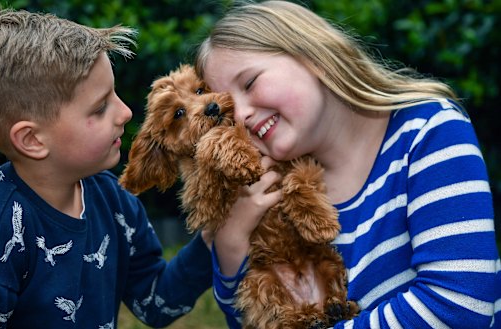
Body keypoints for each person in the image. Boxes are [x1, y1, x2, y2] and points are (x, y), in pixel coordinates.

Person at [195, 1, 501, 328]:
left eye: (250, 82)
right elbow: (253, 319)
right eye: (226, 111)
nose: (240, 116)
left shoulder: (426, 132)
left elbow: (460, 304)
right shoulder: (269, 191)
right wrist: (231, 246)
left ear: (314, 57)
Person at [0, 7, 212, 328]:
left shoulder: (111, 199)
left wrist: (215, 239)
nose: (125, 112)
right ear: (32, 139)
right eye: (101, 106)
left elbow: (155, 301)